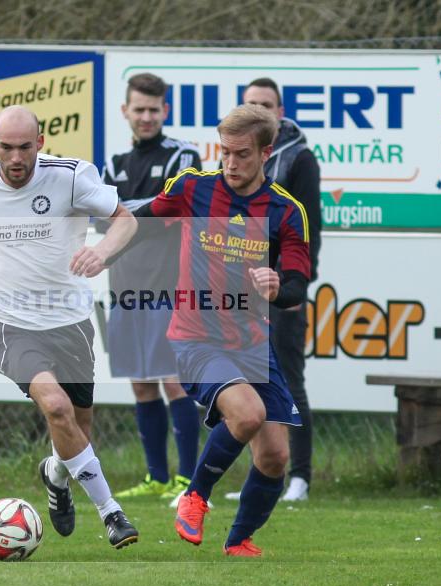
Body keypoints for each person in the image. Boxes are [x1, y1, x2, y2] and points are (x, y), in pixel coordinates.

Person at [0, 106, 140, 549]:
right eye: (8, 148)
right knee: (56, 407)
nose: (16, 158)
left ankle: (55, 474)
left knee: (75, 427)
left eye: (25, 147)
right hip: (7, 322)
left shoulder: (71, 177)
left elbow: (125, 220)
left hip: (70, 321)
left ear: (41, 142)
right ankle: (112, 514)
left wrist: (103, 252)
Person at [126, 103, 310, 557]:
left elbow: (297, 286)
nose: (230, 163)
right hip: (195, 336)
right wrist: (96, 227)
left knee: (274, 457)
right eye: (224, 152)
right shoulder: (194, 189)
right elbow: (142, 216)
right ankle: (195, 495)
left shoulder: (286, 212)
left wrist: (277, 287)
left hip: (251, 343)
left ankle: (238, 541)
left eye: (242, 154)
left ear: (265, 153)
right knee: (246, 414)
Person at [103, 73, 202, 501]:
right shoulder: (113, 165)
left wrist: (126, 213)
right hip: (125, 288)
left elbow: (176, 206)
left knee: (174, 380)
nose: (146, 117)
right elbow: (103, 216)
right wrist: (135, 212)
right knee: (140, 383)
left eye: (153, 109)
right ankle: (157, 478)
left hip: (170, 288)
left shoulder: (184, 156)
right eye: (138, 109)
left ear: (166, 111)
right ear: (125, 112)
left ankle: (188, 480)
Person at [224, 77, 322, 503]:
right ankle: (260, 474)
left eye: (266, 105)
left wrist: (285, 285)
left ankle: (299, 475)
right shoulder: (234, 160)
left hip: (279, 291)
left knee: (288, 381)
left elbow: (307, 230)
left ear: (280, 112)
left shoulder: (300, 159)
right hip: (239, 294)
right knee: (246, 385)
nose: (259, 112)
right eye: (251, 105)